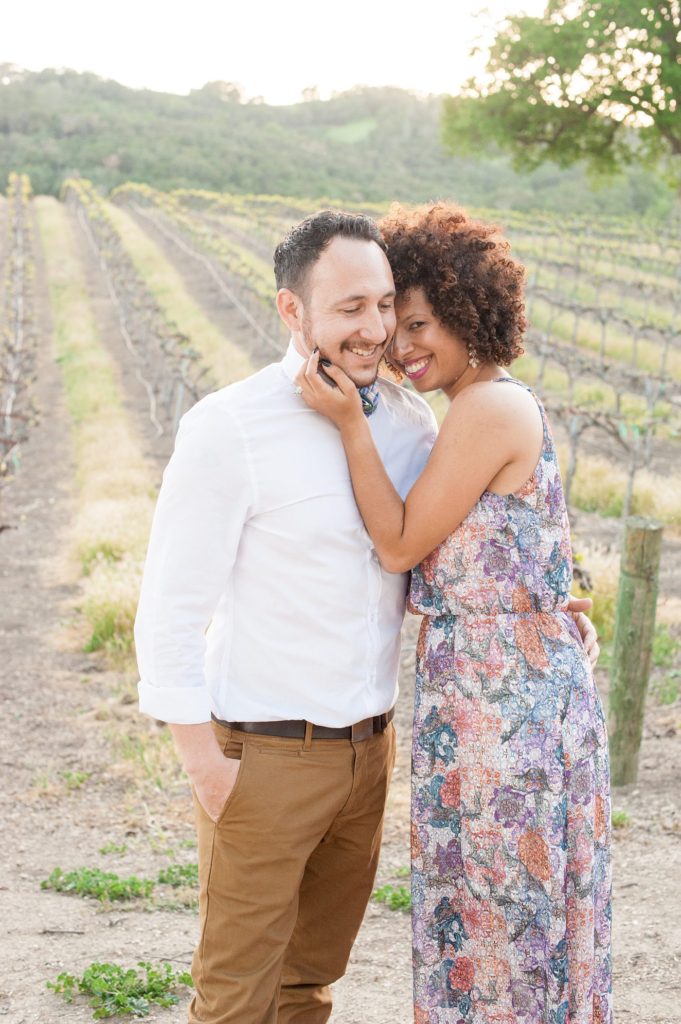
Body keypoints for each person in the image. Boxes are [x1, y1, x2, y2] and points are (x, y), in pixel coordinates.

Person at [135, 209, 599, 1024]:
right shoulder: (230, 428)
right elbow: (170, 607)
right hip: (268, 750)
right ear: (293, 311)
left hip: (374, 752)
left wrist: (555, 600)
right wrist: (203, 761)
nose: (378, 329)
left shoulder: (416, 423)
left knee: (311, 981)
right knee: (237, 992)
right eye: (352, 307)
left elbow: (482, 527)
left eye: (387, 306)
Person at [295, 203, 612, 1024]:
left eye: (422, 324)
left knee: (502, 914)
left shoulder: (486, 409)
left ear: (472, 312)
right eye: (395, 327)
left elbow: (399, 546)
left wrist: (345, 426)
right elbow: (504, 548)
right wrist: (542, 602)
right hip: (487, 692)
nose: (403, 347)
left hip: (501, 709)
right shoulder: (477, 405)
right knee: (488, 911)